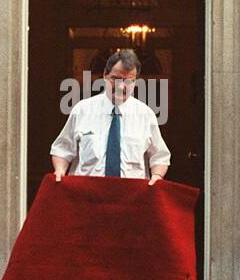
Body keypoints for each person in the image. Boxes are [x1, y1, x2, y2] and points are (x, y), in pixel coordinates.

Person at [50, 48, 170, 184]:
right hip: (87, 196)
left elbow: (160, 156)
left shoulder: (145, 115)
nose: (121, 86)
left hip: (131, 198)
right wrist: (60, 170)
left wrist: (157, 175)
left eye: (129, 81)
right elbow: (62, 149)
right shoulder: (82, 110)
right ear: (105, 75)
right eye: (116, 79)